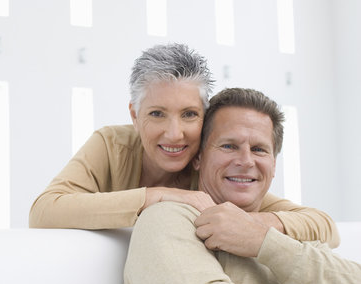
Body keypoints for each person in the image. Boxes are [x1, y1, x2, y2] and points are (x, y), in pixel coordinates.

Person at [123, 88, 361, 284]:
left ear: (273, 165)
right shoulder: (166, 220)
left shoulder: (285, 230)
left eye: (259, 149)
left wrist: (264, 242)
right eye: (229, 146)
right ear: (198, 157)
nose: (246, 161)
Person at [28, 43, 339, 250]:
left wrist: (251, 225)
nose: (175, 134)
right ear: (135, 116)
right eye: (156, 114)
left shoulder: (212, 172)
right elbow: (43, 212)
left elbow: (324, 226)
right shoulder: (111, 145)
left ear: (204, 118)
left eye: (189, 115)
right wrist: (158, 196)